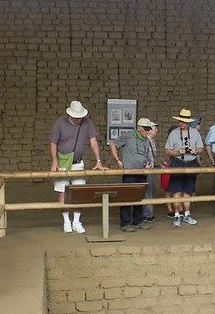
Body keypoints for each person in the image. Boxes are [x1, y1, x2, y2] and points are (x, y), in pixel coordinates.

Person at [50, 100, 106, 234]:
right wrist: (54, 161)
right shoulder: (59, 123)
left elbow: (93, 142)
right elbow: (53, 143)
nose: (78, 120)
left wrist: (98, 161)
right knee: (63, 192)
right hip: (63, 162)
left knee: (79, 193)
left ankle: (76, 221)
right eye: (76, 117)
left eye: (80, 117)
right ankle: (66, 221)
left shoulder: (87, 123)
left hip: (78, 163)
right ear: (70, 114)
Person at [110, 118, 157, 232]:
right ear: (139, 127)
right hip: (129, 172)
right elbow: (113, 144)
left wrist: (147, 164)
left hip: (142, 172)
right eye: (145, 129)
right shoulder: (128, 136)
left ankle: (138, 221)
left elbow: (146, 155)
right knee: (127, 197)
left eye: (148, 129)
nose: (147, 131)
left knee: (139, 197)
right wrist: (118, 160)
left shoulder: (146, 140)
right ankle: (125, 223)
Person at [164, 108, 203, 227]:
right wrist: (178, 152)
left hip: (191, 163)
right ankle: (176, 216)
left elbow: (200, 149)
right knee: (176, 191)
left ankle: (186, 215)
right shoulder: (174, 133)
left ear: (188, 122)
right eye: (180, 121)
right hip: (177, 162)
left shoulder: (195, 133)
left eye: (184, 122)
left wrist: (195, 151)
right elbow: (167, 151)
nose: (181, 124)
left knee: (188, 191)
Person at [142, 123, 159, 222]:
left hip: (151, 169)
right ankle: (147, 215)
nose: (157, 130)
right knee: (148, 191)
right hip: (147, 169)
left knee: (151, 191)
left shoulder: (152, 141)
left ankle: (148, 213)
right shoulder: (145, 141)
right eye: (155, 128)